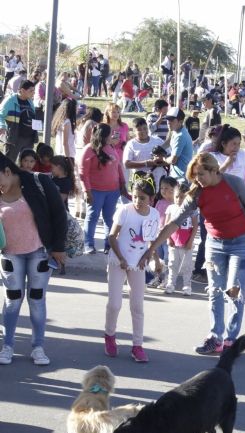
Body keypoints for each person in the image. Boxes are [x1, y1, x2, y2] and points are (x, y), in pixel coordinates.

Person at [140, 153, 245, 354]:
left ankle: (231, 340)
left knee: (234, 290)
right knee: (215, 290)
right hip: (215, 244)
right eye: (194, 176)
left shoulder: (235, 184)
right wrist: (152, 248)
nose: (197, 180)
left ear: (214, 171)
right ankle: (215, 337)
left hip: (241, 243)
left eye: (201, 174)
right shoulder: (196, 193)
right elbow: (174, 223)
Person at [0, 152, 67, 365]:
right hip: (10, 254)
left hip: (39, 252)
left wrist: (58, 247)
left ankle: (38, 347)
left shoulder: (38, 181)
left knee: (37, 299)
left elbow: (59, 214)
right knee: (12, 300)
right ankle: (7, 345)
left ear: (7, 171)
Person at [104, 174, 161, 363]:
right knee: (114, 304)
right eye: (135, 196)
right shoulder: (124, 211)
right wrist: (121, 258)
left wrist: (152, 258)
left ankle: (137, 346)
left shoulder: (154, 214)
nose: (137, 201)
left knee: (137, 306)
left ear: (151, 199)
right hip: (118, 261)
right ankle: (110, 336)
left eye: (142, 198)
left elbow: (151, 239)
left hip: (138, 264)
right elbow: (112, 237)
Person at [79, 123, 127, 254]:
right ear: (104, 135)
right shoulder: (89, 150)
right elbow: (83, 173)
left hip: (113, 191)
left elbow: (118, 166)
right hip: (95, 191)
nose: (112, 136)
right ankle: (88, 244)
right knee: (92, 217)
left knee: (109, 218)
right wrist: (87, 191)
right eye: (110, 133)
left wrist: (122, 183)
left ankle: (109, 245)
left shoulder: (111, 147)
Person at [163, 182, 198, 296]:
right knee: (172, 264)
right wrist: (169, 239)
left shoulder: (192, 210)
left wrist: (190, 241)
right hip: (174, 242)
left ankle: (187, 285)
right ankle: (170, 284)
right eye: (177, 197)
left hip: (186, 243)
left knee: (187, 266)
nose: (178, 199)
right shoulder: (171, 208)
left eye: (182, 197)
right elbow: (167, 225)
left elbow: (195, 226)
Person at [123, 117, 167, 189]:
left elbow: (169, 156)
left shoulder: (158, 141)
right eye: (139, 130)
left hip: (160, 182)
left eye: (145, 128)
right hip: (141, 184)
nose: (143, 131)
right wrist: (146, 163)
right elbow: (126, 164)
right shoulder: (131, 144)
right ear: (134, 131)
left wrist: (160, 160)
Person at [0, 80, 38, 163]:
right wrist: (2, 126)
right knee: (9, 163)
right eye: (31, 91)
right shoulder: (10, 100)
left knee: (26, 164)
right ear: (22, 90)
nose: (33, 93)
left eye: (34, 91)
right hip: (14, 138)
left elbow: (32, 116)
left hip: (29, 139)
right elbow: (0, 115)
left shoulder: (30, 101)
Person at [164, 107, 194, 180]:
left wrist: (163, 159)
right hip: (178, 175)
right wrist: (158, 149)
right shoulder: (177, 131)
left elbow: (173, 160)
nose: (168, 122)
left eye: (171, 120)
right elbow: (168, 142)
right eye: (167, 119)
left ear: (180, 121)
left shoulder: (180, 136)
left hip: (181, 178)